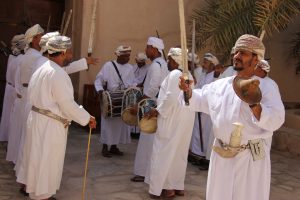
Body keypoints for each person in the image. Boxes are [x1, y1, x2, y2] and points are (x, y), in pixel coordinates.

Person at [179, 34, 285, 200]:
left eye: (243, 53)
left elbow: (277, 120)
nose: (236, 56)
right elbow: (199, 100)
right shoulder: (222, 85)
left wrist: (254, 103)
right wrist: (188, 91)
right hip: (222, 156)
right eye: (236, 52)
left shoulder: (267, 86)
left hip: (250, 158)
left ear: (256, 58)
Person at [16, 35, 97, 200]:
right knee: (47, 160)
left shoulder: (42, 67)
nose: (71, 56)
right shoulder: (57, 73)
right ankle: (43, 196)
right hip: (49, 126)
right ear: (63, 52)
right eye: (70, 52)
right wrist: (87, 118)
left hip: (38, 120)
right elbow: (67, 105)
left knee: (37, 158)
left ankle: (38, 193)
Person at [145, 47, 195, 199]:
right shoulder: (188, 74)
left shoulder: (175, 74)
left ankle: (166, 188)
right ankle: (177, 185)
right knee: (179, 152)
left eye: (169, 59)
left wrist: (157, 110)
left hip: (172, 118)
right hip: (185, 119)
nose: (167, 62)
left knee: (164, 151)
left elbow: (170, 97)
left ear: (175, 61)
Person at [131, 37, 169, 182]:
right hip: (157, 105)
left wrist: (139, 103)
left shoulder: (155, 66)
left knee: (147, 141)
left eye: (148, 47)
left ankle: (142, 172)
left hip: (151, 105)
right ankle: (150, 172)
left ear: (154, 49)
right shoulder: (163, 64)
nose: (146, 50)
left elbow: (153, 87)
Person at [6, 24, 44, 164]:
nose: (43, 39)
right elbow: (58, 71)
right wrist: (82, 63)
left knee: (20, 132)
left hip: (22, 96)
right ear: (34, 39)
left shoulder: (27, 56)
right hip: (28, 96)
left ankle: (18, 162)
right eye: (41, 37)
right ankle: (23, 166)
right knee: (26, 135)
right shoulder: (37, 57)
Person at [94, 45, 136, 157]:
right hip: (110, 99)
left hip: (124, 99)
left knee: (120, 124)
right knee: (108, 124)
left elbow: (133, 82)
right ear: (118, 55)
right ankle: (104, 147)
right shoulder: (108, 66)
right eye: (125, 56)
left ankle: (114, 147)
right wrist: (100, 92)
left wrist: (133, 90)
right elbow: (99, 80)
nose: (128, 58)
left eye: (129, 55)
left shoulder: (130, 68)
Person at [189, 53, 219, 170]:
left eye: (206, 62)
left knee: (206, 134)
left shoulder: (215, 76)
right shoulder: (204, 75)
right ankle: (198, 156)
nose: (203, 64)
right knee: (197, 132)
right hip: (199, 108)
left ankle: (205, 158)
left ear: (212, 65)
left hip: (207, 111)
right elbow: (198, 88)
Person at [0, 34, 26, 142]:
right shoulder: (19, 59)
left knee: (8, 114)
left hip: (10, 88)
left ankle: (6, 137)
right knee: (11, 116)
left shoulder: (13, 57)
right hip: (14, 89)